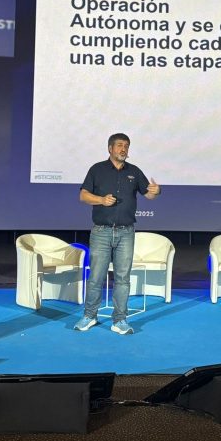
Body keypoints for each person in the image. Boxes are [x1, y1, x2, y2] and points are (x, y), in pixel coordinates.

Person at [75, 133, 160, 335]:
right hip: (101, 232)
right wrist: (101, 200)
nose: (124, 149)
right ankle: (89, 316)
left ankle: (120, 320)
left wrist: (155, 191)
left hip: (126, 232)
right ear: (110, 148)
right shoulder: (97, 169)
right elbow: (83, 195)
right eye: (120, 145)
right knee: (96, 277)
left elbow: (148, 194)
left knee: (123, 278)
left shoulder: (134, 171)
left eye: (126, 146)